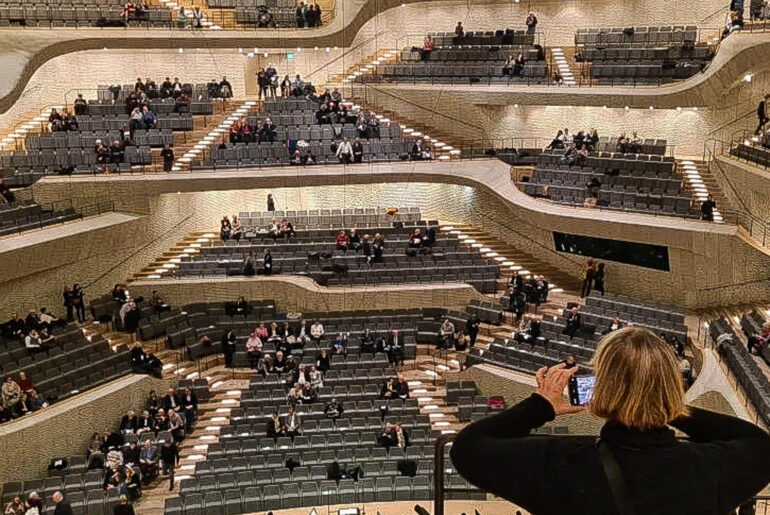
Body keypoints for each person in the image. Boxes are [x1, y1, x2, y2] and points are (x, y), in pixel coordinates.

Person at [451, 327, 770, 515]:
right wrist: (666, 406)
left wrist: (541, 405)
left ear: (604, 389)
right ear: (671, 388)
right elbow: (759, 445)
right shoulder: (709, 468)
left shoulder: (560, 464)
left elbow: (467, 448)